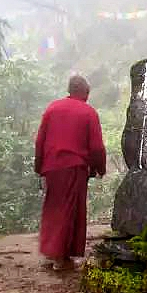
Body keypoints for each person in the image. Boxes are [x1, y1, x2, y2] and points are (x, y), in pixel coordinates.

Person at [34, 75, 106, 270]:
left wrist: (39, 167)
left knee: (54, 207)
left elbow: (40, 141)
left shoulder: (52, 108)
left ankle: (53, 252)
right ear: (85, 92)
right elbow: (97, 147)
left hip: (52, 167)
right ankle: (60, 258)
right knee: (70, 210)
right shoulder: (88, 112)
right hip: (74, 166)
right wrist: (100, 169)